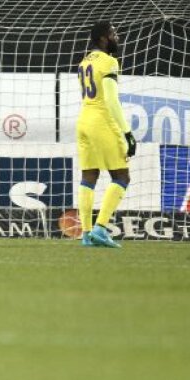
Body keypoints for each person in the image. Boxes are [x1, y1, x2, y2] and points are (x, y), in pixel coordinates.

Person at [75, 21, 137, 248]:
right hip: (101, 122)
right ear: (102, 38)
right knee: (121, 176)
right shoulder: (110, 62)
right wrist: (127, 133)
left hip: (83, 121)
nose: (116, 37)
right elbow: (111, 101)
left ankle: (86, 234)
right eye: (112, 33)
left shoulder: (84, 61)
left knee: (89, 176)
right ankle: (101, 228)